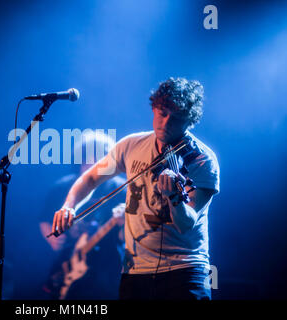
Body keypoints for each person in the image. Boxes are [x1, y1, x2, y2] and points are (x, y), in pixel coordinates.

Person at [51, 77, 220, 300]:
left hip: (184, 271)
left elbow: (186, 224)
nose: (166, 123)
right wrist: (69, 206)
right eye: (162, 112)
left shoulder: (202, 161)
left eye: (176, 117)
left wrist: (174, 197)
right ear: (154, 108)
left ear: (189, 121)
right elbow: (90, 178)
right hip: (135, 271)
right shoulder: (131, 145)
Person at [38, 131, 126, 299]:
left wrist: (124, 224)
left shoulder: (122, 189)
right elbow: (43, 218)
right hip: (67, 264)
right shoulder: (62, 187)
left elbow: (129, 235)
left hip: (106, 267)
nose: (91, 167)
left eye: (97, 161)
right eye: (86, 161)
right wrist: (52, 238)